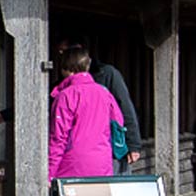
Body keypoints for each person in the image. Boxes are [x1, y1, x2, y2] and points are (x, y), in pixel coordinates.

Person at [58, 40, 143, 173]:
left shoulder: (106, 74)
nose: (62, 57)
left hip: (108, 144)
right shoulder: (64, 83)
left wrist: (133, 144)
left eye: (66, 53)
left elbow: (124, 107)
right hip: (78, 149)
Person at [48, 46, 124, 180]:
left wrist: (50, 173)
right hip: (102, 162)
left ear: (64, 68)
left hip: (72, 164)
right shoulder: (104, 92)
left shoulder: (66, 96)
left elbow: (58, 138)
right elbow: (118, 122)